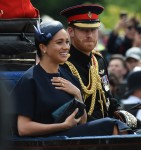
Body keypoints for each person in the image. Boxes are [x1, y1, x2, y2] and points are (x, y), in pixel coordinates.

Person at [11, 20, 133, 137]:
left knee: (122, 126)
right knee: (110, 125)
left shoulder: (68, 76)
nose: (66, 47)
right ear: (43, 47)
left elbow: (82, 121)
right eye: (59, 42)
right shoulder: (30, 79)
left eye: (67, 42)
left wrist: (78, 94)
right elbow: (23, 128)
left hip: (68, 137)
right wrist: (62, 126)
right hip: (45, 140)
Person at [60, 4, 123, 121]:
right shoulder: (63, 64)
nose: (89, 35)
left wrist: (119, 112)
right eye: (84, 30)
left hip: (106, 128)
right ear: (70, 31)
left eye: (93, 30)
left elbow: (108, 96)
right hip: (83, 130)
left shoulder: (98, 60)